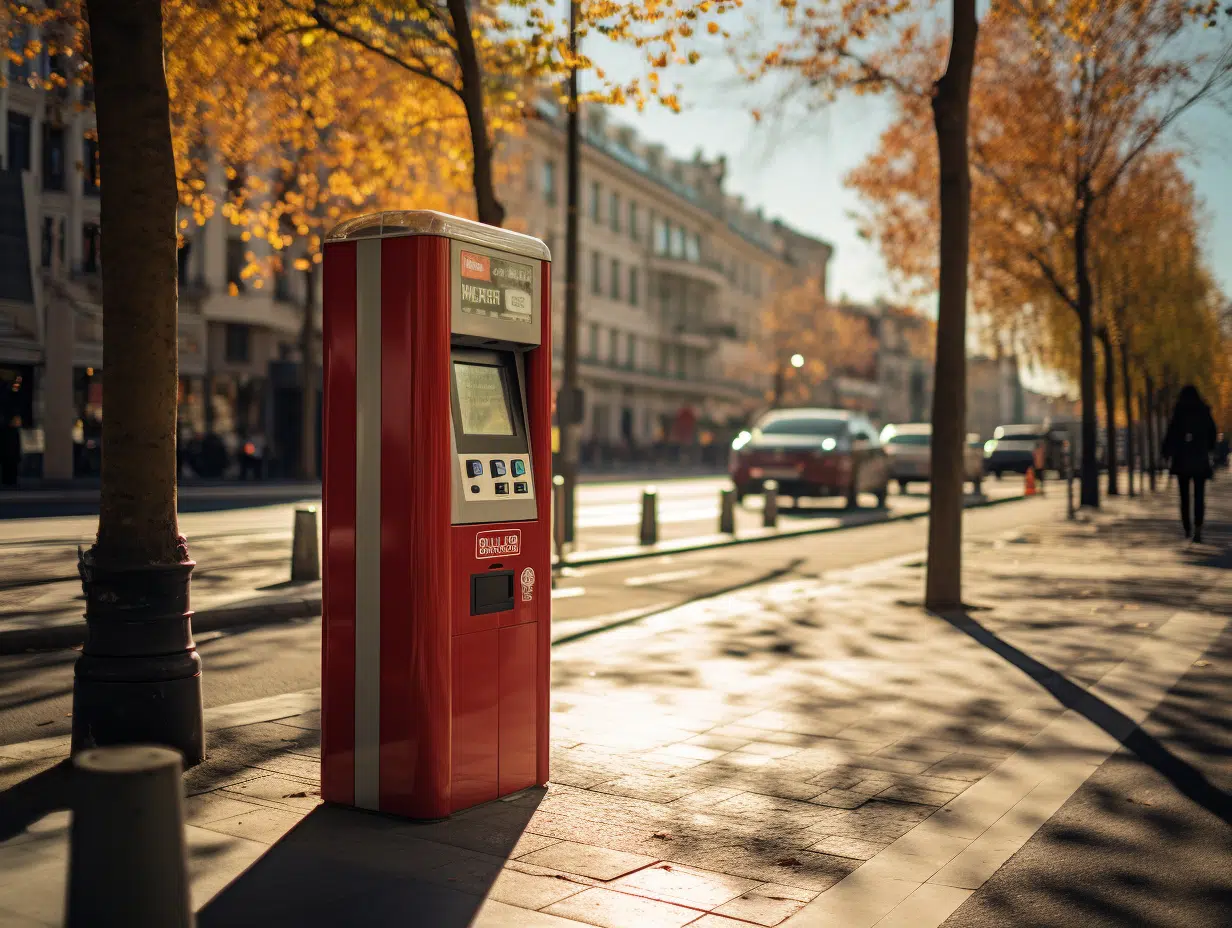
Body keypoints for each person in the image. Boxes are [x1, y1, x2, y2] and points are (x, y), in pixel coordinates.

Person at [1161, 384, 1218, 543]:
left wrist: (1166, 452)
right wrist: (1209, 448)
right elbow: (1212, 432)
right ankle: (1198, 527)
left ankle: (1187, 527)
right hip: (1200, 458)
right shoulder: (1203, 411)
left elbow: (1171, 433)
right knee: (1199, 495)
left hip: (1182, 460)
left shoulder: (1179, 412)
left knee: (1184, 497)